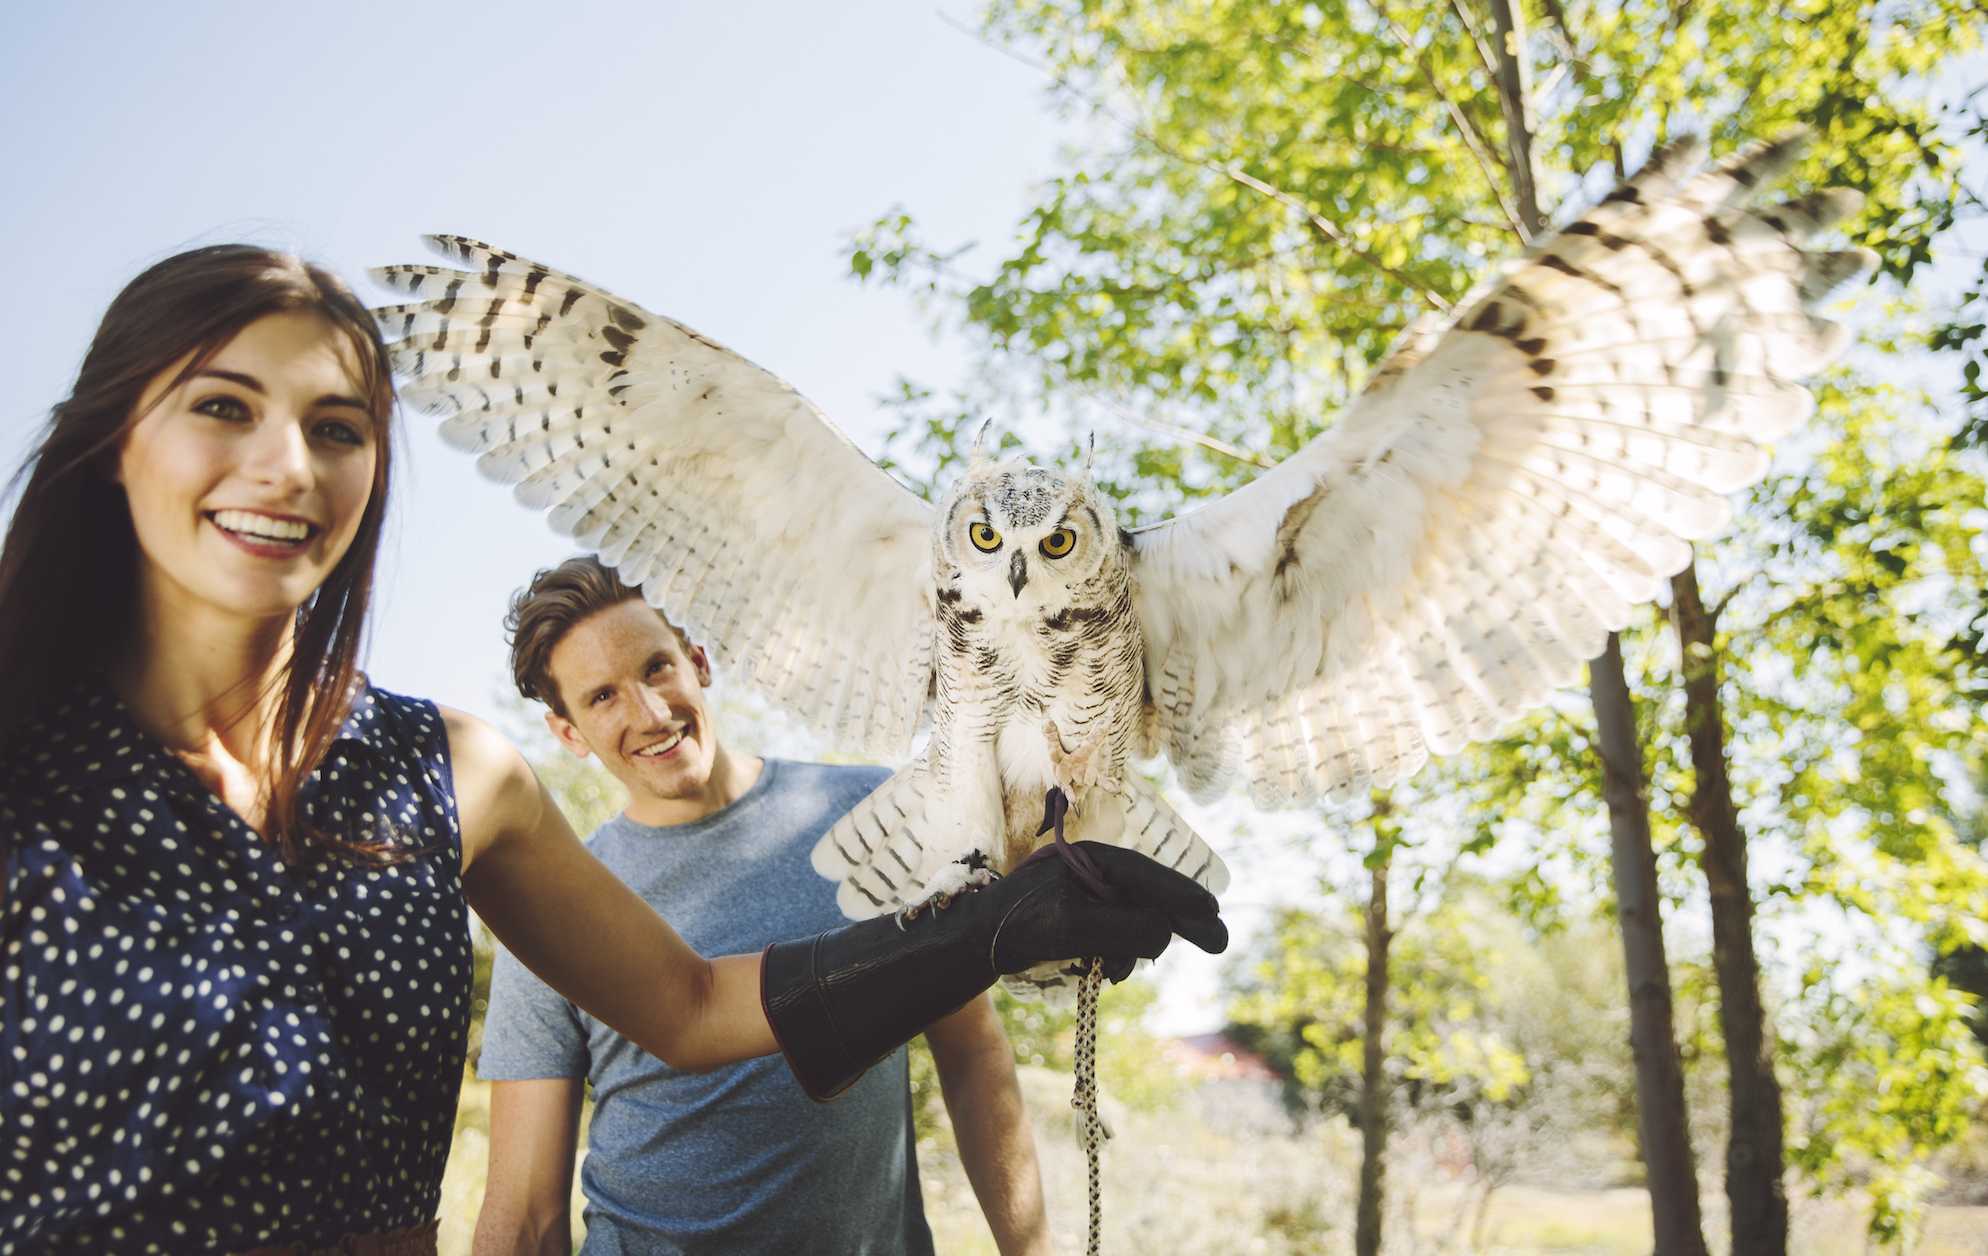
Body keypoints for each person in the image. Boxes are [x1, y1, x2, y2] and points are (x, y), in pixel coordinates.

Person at [0, 246, 1227, 1256]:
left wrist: (985, 925)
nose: (286, 465)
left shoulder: (447, 773)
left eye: (337, 426)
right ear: (116, 437)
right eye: (223, 405)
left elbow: (690, 1003)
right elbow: (526, 1202)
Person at [473, 558, 1048, 1256]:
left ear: (699, 661)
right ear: (568, 734)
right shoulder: (552, 906)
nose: (649, 714)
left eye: (656, 668)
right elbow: (527, 1217)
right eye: (602, 697)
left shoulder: (875, 816)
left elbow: (972, 1048)